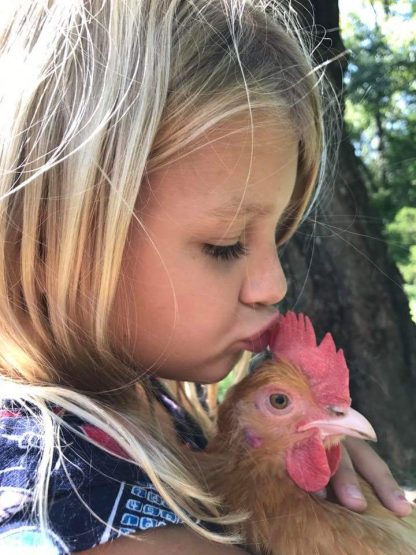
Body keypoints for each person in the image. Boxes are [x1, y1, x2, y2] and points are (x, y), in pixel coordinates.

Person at [0, 1, 412, 554]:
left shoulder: (156, 414)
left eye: (280, 237)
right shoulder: (50, 481)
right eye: (225, 245)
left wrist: (287, 490)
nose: (274, 285)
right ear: (49, 244)